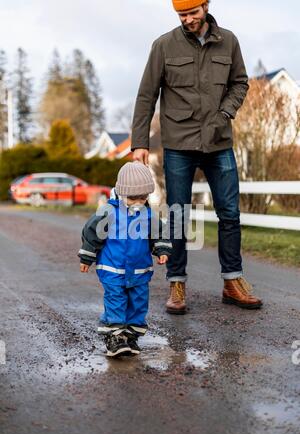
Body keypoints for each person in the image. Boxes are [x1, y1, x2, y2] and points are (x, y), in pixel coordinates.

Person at [131, 0, 263, 314]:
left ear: (205, 6)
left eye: (193, 12)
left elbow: (239, 83)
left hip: (219, 142)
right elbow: (147, 94)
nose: (188, 19)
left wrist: (226, 113)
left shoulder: (228, 41)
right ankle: (176, 284)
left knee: (229, 214)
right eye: (182, 15)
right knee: (177, 214)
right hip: (178, 144)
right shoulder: (163, 45)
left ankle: (233, 281)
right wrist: (139, 142)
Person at [78, 162, 172, 358]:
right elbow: (92, 232)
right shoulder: (109, 212)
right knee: (116, 300)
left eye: (143, 197)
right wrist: (87, 257)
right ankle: (115, 336)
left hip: (140, 270)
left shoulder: (148, 214)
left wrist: (161, 249)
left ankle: (130, 336)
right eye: (133, 198)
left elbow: (159, 232)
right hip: (112, 268)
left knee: (138, 302)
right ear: (121, 193)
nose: (139, 201)